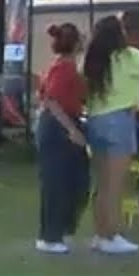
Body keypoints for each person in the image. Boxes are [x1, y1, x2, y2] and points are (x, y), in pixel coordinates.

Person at [82, 15, 139, 254]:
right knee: (115, 185)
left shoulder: (91, 60)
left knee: (102, 184)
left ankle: (100, 233)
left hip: (96, 120)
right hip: (120, 120)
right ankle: (112, 235)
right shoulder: (128, 56)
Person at [34, 23, 90, 254]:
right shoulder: (62, 69)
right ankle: (50, 236)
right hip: (58, 127)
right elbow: (52, 101)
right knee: (56, 183)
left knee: (75, 182)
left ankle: (63, 229)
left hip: (65, 123)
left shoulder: (69, 67)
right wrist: (72, 130)